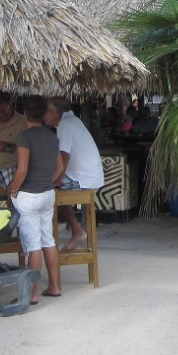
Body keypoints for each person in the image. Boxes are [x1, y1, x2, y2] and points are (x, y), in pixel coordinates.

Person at [7, 96, 64, 302]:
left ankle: (32, 294)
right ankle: (55, 287)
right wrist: (46, 180)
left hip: (29, 196)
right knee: (48, 240)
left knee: (32, 245)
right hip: (48, 194)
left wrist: (13, 189)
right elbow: (59, 167)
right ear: (43, 114)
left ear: (25, 114)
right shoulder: (52, 136)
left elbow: (22, 169)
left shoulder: (25, 136)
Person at [46, 96, 104, 250]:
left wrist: (55, 183)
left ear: (56, 112)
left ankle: (48, 239)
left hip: (83, 179)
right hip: (88, 176)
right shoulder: (72, 121)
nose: (43, 114)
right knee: (50, 187)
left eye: (46, 110)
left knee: (47, 191)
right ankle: (76, 230)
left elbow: (63, 158)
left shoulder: (65, 124)